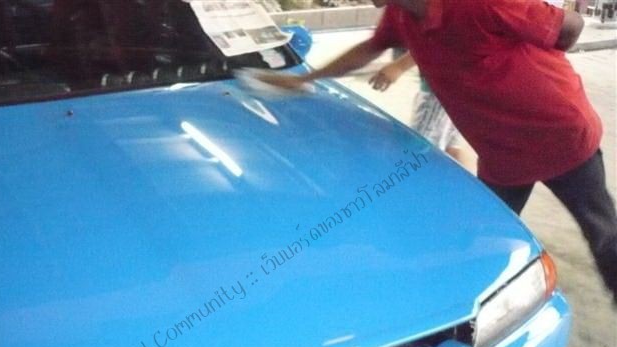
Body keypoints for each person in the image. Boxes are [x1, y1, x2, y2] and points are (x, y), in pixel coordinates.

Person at [260, 0, 617, 302]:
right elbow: (370, 48)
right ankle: (472, 316)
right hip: (501, 154)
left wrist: (531, 61)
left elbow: (570, 27)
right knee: (485, 238)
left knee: (600, 231)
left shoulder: (478, 4)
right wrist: (303, 79)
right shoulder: (401, 14)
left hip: (559, 137)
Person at [369, 50, 475, 172]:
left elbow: (438, 43)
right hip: (458, 91)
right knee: (450, 147)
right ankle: (466, 183)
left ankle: (407, 181)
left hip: (438, 94)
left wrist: (399, 66)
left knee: (419, 148)